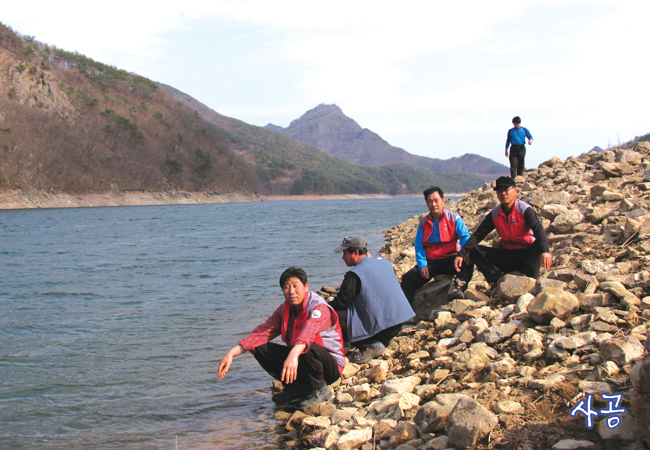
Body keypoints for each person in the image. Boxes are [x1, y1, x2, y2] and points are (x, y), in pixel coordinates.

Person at [218, 267, 345, 410]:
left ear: (306, 286)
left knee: (307, 346)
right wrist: (232, 353)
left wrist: (293, 355)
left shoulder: (318, 308)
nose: (291, 291)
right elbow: (262, 332)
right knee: (258, 346)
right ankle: (300, 387)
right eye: (286, 287)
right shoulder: (284, 309)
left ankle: (319, 389)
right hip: (301, 361)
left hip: (329, 366)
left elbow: (308, 333)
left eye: (295, 286)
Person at [454, 176, 552, 296]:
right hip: (507, 255)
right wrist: (462, 254)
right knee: (474, 249)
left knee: (539, 245)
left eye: (506, 190)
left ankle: (531, 278)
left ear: (515, 191)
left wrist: (545, 251)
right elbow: (478, 235)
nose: (503, 193)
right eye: (500, 191)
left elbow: (539, 230)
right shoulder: (495, 213)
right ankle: (497, 280)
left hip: (526, 255)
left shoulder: (525, 209)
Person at [329, 235, 415, 364]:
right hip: (398, 322)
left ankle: (368, 344)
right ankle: (380, 340)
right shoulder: (384, 262)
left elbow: (341, 303)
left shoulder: (354, 275)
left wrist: (323, 306)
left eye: (345, 253)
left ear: (356, 252)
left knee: (332, 314)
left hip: (383, 329)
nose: (343, 257)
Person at [401, 186, 473, 303]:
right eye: (430, 202)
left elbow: (465, 237)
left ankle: (458, 288)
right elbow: (419, 246)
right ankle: (406, 314)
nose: (433, 204)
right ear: (426, 204)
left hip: (451, 259)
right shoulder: (423, 223)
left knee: (469, 260)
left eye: (436, 201)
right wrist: (422, 265)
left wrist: (464, 253)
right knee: (408, 278)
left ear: (443, 201)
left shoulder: (454, 218)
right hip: (432, 263)